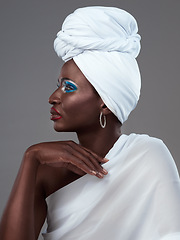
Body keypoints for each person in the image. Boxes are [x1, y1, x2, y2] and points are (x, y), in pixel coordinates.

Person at [0, 6, 180, 240]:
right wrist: (30, 158)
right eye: (58, 85)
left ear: (105, 102)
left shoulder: (149, 156)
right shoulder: (45, 171)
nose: (53, 97)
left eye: (69, 87)